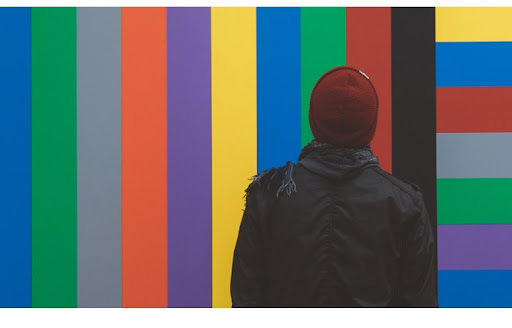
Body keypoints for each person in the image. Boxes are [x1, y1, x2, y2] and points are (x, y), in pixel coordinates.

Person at [230, 66, 438, 308]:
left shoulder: (269, 194)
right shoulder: (405, 204)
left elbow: (246, 301)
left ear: (314, 120)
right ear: (371, 124)